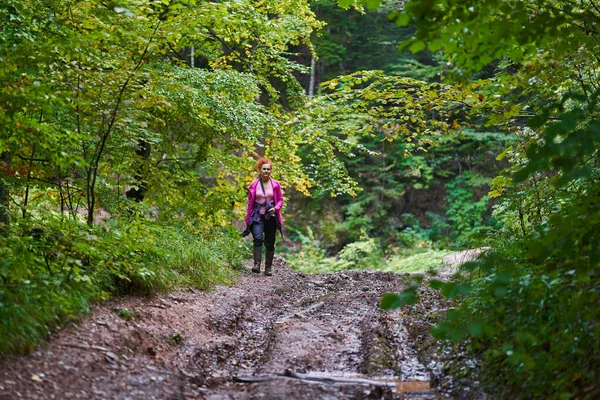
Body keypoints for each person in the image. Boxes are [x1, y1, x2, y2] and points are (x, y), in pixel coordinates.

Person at [245, 157, 284, 276]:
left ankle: (268, 268)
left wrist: (276, 208)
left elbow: (280, 200)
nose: (266, 171)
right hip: (257, 216)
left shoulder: (275, 184)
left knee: (270, 241)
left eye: (268, 169)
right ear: (260, 170)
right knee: (257, 238)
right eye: (264, 169)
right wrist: (248, 218)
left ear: (271, 170)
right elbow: (250, 203)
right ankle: (256, 265)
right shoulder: (254, 185)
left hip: (270, 216)